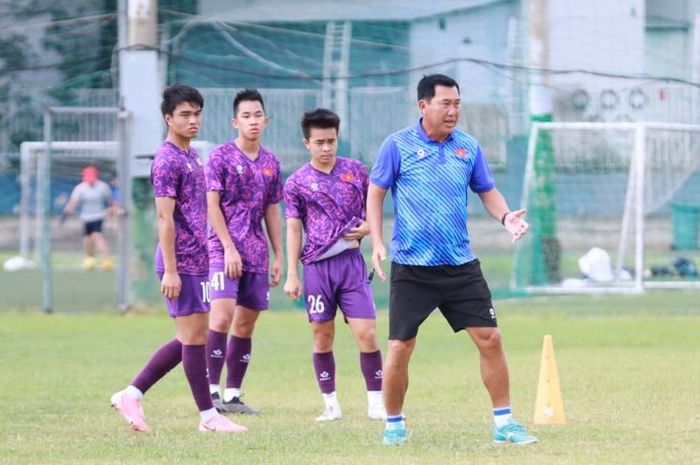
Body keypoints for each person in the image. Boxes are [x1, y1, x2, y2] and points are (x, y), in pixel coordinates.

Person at [367, 74, 537, 446]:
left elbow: (486, 190)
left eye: (457, 103)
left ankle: (504, 423)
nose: (453, 111)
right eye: (445, 103)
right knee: (399, 346)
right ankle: (393, 424)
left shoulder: (468, 147)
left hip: (460, 264)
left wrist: (507, 217)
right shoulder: (397, 146)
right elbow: (375, 193)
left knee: (490, 338)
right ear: (423, 105)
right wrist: (378, 242)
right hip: (413, 267)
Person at [110, 84, 246, 433]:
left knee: (193, 336)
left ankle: (132, 393)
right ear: (168, 118)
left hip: (198, 260)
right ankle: (208, 417)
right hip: (179, 263)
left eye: (197, 113)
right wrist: (170, 270)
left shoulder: (191, 155)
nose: (193, 120)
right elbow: (163, 218)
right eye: (185, 114)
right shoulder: (168, 160)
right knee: (195, 340)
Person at [283, 108, 385, 422]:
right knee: (321, 336)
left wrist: (370, 228)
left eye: (331, 141)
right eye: (319, 142)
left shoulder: (356, 171)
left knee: (366, 333)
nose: (326, 148)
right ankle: (330, 404)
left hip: (351, 265)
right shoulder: (297, 183)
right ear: (307, 143)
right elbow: (294, 227)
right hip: (316, 269)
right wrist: (292, 274)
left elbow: (375, 205)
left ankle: (376, 403)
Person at [205, 89, 283, 414]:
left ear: (266, 120)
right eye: (246, 116)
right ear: (235, 122)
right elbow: (211, 205)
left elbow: (272, 212)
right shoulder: (220, 157)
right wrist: (228, 248)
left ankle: (233, 395)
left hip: (256, 253)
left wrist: (279, 256)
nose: (253, 121)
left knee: (246, 325)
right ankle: (209, 392)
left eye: (257, 115)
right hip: (222, 250)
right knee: (222, 317)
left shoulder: (271, 162)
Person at [62, 165, 114, 270]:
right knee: (87, 239)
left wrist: (112, 209)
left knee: (97, 236)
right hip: (86, 217)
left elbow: (110, 201)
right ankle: (90, 259)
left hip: (98, 216)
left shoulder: (103, 187)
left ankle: (106, 260)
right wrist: (66, 212)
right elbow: (73, 202)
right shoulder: (80, 188)